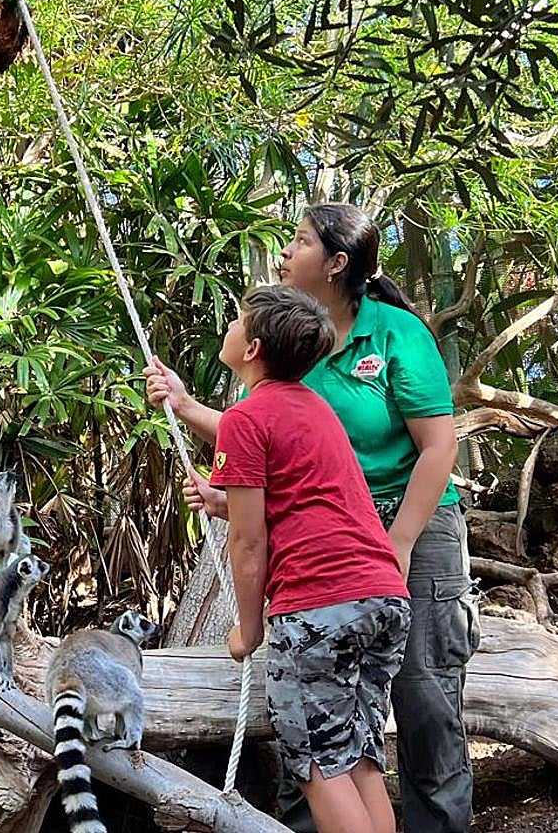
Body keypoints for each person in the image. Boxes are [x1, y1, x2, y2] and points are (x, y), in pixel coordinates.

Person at [146, 202, 478, 833]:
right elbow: (294, 453)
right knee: (355, 754)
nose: (283, 252)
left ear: (337, 263)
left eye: (297, 242)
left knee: (370, 735)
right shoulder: (298, 383)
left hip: (384, 541)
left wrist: (399, 541)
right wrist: (191, 415)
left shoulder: (396, 335)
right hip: (366, 573)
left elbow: (252, 535)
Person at [211, 284, 410, 833]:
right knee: (360, 756)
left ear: (252, 349)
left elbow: (250, 542)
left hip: (320, 605)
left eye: (236, 320)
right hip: (383, 596)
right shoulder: (315, 408)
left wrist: (248, 630)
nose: (229, 327)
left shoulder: (246, 418)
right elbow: (304, 499)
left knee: (319, 763)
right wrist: (222, 499)